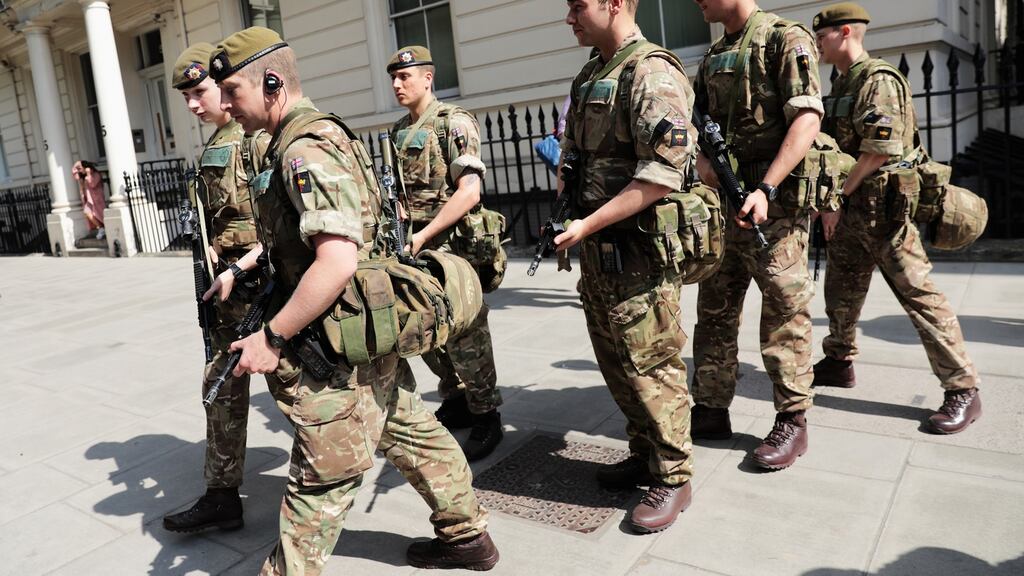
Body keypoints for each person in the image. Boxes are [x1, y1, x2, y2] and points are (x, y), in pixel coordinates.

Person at [210, 27, 498, 574]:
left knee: (324, 469)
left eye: (233, 91)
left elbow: (337, 257)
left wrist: (273, 337)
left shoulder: (305, 146)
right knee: (408, 424)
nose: (225, 104)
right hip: (356, 326)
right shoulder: (298, 137)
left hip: (336, 335)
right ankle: (467, 534)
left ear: (272, 83)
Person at [557, 0, 696, 533]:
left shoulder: (651, 72)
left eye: (577, 6)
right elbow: (574, 157)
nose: (569, 17)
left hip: (638, 254)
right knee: (616, 362)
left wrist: (586, 226)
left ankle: (675, 474)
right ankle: (645, 454)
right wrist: (568, 213)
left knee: (651, 362)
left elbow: (661, 175)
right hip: (599, 254)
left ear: (614, 4)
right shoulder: (592, 73)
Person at [811, 2, 981, 433]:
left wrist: (835, 195)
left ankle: (963, 388)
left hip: (886, 212)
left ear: (845, 32)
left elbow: (878, 150)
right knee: (841, 292)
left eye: (823, 35)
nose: (817, 43)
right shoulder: (842, 82)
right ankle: (838, 361)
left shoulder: (879, 80)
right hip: (853, 212)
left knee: (920, 298)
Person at [690, 0, 823, 470]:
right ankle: (709, 408)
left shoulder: (785, 38)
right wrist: (706, 168)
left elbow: (807, 117)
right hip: (726, 203)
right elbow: (698, 128)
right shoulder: (712, 56)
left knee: (785, 312)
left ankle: (793, 419)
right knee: (715, 310)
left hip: (776, 206)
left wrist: (767, 187)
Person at [162, 41, 272, 534]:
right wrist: (211, 250)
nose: (193, 104)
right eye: (186, 95)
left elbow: (281, 225)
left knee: (310, 395)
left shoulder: (255, 137)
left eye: (199, 91)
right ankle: (222, 495)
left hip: (268, 290)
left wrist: (241, 265)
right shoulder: (216, 143)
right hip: (228, 293)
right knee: (222, 386)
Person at [386, 46, 504, 461]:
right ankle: (455, 399)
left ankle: (487, 413)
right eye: (394, 78)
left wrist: (423, 235)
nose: (398, 84)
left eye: (406, 77)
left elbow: (469, 192)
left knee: (467, 331)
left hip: (451, 248)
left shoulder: (453, 122)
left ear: (428, 78)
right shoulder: (399, 130)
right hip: (416, 247)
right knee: (428, 329)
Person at [73, 160, 105, 239]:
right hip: (90, 199)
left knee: (100, 214)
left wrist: (88, 174)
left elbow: (92, 184)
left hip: (97, 199)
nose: (79, 171)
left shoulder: (96, 174)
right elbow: (74, 173)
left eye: (80, 168)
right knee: (87, 212)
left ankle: (103, 228)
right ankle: (101, 228)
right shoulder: (83, 177)